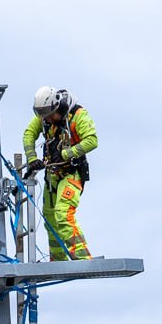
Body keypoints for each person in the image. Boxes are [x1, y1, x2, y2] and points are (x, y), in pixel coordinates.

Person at [21, 86, 96, 261]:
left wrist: (67, 154)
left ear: (57, 106)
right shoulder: (43, 117)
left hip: (72, 172)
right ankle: (58, 259)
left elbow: (92, 140)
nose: (47, 119)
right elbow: (29, 134)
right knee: (50, 218)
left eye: (49, 115)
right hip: (52, 174)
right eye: (43, 116)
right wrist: (32, 158)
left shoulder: (78, 115)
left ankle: (82, 258)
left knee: (63, 213)